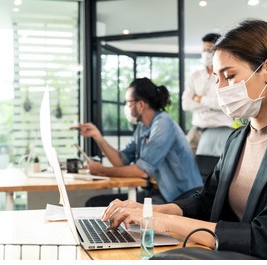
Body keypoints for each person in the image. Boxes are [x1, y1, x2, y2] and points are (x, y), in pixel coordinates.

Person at [100, 19, 267, 259]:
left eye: (230, 76)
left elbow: (266, 237)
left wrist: (162, 222)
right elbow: (206, 202)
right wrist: (147, 210)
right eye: (218, 79)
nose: (221, 89)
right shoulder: (237, 138)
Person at [79, 77, 203, 206]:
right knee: (95, 203)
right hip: (158, 194)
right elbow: (121, 161)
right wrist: (98, 137)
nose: (126, 107)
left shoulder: (163, 123)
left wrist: (102, 170)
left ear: (141, 105)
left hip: (182, 198)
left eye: (128, 102)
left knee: (105, 207)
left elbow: (142, 171)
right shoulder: (143, 127)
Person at [182, 33, 233, 153]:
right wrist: (211, 103)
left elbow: (225, 104)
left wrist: (200, 99)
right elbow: (186, 104)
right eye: (204, 50)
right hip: (197, 129)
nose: (206, 53)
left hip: (220, 129)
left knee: (211, 167)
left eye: (209, 50)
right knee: (185, 161)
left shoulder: (228, 75)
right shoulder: (195, 76)